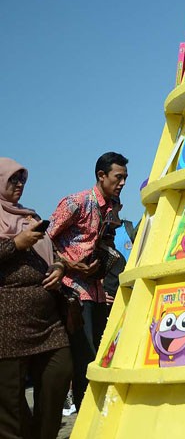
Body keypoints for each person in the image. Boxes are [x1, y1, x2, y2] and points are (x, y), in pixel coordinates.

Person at [48, 152, 128, 410]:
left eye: (125, 177)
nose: (123, 182)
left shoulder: (114, 206)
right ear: (101, 176)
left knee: (96, 357)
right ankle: (85, 414)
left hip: (97, 290)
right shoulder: (76, 202)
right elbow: (44, 241)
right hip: (71, 290)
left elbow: (106, 240)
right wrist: (70, 263)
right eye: (119, 177)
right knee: (84, 358)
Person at [0, 159, 72, 439]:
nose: (19, 185)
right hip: (8, 324)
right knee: (10, 405)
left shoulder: (28, 216)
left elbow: (55, 255)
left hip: (47, 322)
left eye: (22, 180)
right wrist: (16, 244)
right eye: (13, 180)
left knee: (60, 372)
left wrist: (58, 268)